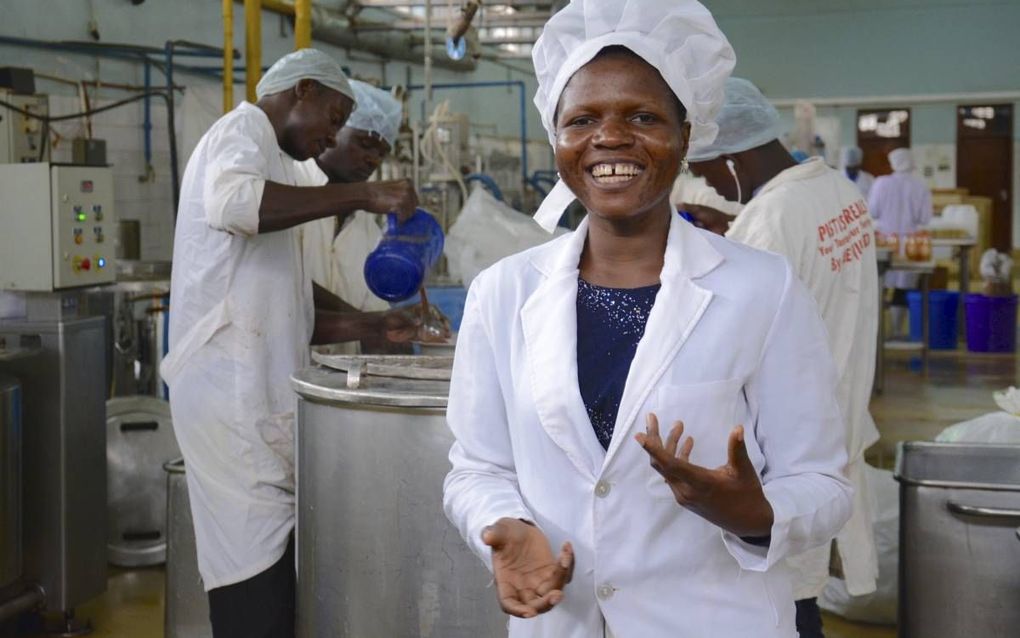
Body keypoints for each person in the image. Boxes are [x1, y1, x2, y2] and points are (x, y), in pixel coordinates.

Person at [442, 2, 852, 637]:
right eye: (582, 119)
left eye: (642, 116)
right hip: (564, 619)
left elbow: (823, 480)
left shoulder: (761, 288)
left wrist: (757, 512)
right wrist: (505, 525)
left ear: (687, 136)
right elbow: (477, 467)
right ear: (558, 139)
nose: (610, 138)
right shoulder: (503, 293)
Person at [161, 49, 422, 638]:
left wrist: (371, 327)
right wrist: (363, 195)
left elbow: (287, 299)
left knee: (277, 582)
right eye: (333, 117)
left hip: (258, 402)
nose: (333, 135)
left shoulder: (275, 161)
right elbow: (235, 205)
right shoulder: (242, 130)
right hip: (229, 403)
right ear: (301, 90)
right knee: (251, 585)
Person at [685, 77, 880, 638]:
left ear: (733, 158)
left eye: (706, 170)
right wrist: (733, 231)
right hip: (837, 414)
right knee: (800, 584)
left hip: (786, 443)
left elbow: (731, 341)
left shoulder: (769, 220)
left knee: (782, 597)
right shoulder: (837, 192)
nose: (705, 183)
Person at [297, 80, 402, 318]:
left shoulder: (368, 230)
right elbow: (285, 288)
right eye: (365, 144)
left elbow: (373, 307)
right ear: (333, 131)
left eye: (382, 153)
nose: (373, 160)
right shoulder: (290, 189)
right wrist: (365, 325)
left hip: (345, 356)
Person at [868, 147, 933, 338]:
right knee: (903, 288)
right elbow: (925, 217)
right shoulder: (920, 186)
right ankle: (897, 330)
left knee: (880, 285)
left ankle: (877, 333)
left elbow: (872, 212)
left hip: (885, 242)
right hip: (911, 245)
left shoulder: (881, 183)